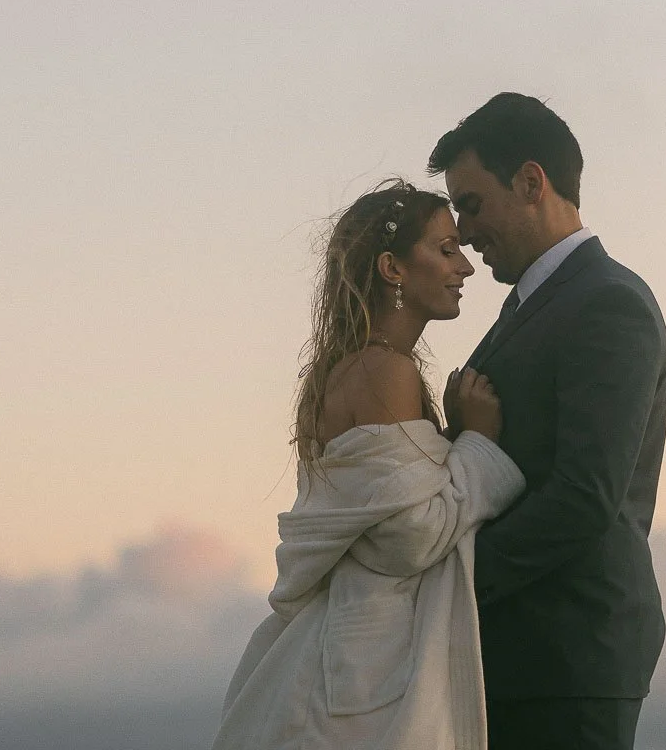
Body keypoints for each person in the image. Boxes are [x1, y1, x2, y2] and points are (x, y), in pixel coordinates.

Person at [212, 180, 527, 750]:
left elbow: (390, 506)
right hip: (368, 678)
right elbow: (408, 539)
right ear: (393, 268)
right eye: (445, 249)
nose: (466, 268)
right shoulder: (386, 371)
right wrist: (479, 443)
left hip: (348, 657)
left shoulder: (352, 366)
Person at [428, 93, 666, 750]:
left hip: (567, 657)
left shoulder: (608, 303)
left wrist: (445, 580)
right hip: (523, 658)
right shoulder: (532, 308)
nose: (465, 233)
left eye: (472, 204)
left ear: (531, 182)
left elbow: (584, 497)